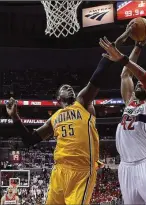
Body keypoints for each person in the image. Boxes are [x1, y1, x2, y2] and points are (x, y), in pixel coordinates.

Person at [6, 29, 131, 205]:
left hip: (82, 171)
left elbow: (97, 76)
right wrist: (15, 117)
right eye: (64, 87)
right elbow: (29, 140)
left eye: (70, 86)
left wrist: (117, 44)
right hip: (59, 171)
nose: (69, 87)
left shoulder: (83, 102)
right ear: (58, 98)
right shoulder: (55, 118)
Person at [99, 27, 146, 204]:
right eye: (137, 83)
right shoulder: (129, 103)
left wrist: (123, 59)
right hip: (126, 167)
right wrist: (138, 46)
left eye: (141, 84)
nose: (138, 83)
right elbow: (126, 74)